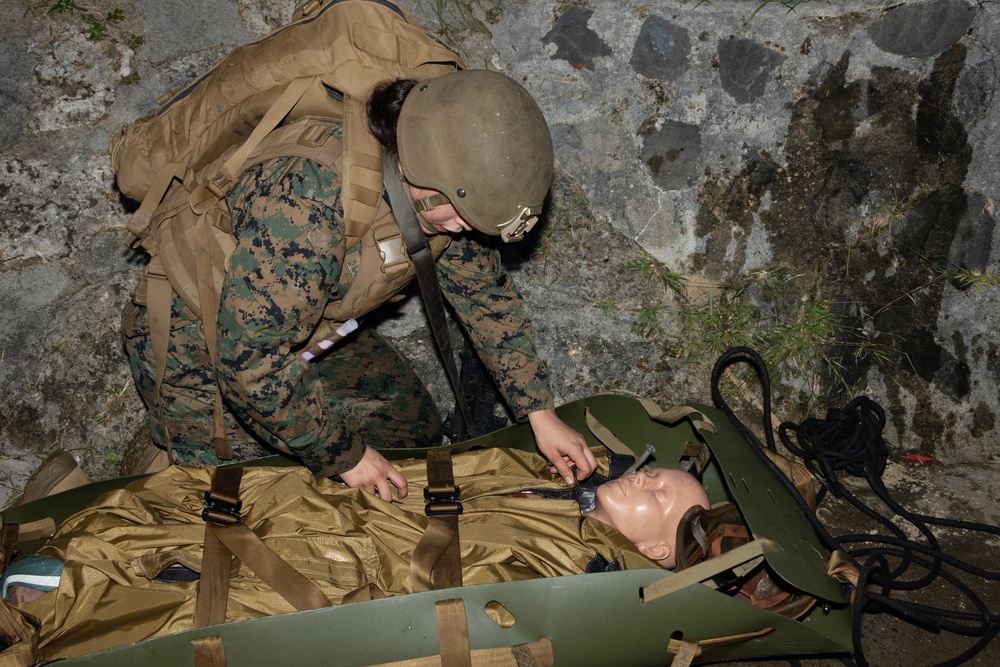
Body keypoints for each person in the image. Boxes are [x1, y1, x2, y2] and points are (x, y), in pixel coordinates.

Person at [122, 69, 597, 498]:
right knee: (236, 500)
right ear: (414, 168)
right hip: (196, 340)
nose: (461, 230)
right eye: (457, 215)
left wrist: (539, 411)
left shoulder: (448, 195)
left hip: (300, 325)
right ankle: (166, 448)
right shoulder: (310, 204)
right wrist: (344, 455)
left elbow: (484, 297)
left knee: (410, 432)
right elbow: (250, 363)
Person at [6, 447, 709, 660]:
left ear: (653, 548)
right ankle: (56, 572)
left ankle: (42, 603)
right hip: (337, 513)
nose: (646, 476)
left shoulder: (584, 578)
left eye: (660, 492)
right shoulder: (558, 479)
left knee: (199, 592)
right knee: (194, 514)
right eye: (658, 470)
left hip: (344, 580)